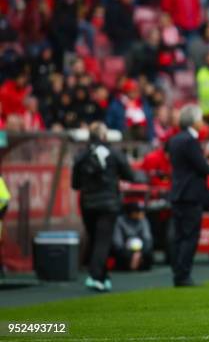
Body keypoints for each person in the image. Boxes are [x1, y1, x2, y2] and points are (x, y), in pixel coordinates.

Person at [71, 122, 136, 292]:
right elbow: (130, 175)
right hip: (109, 204)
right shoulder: (114, 154)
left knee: (95, 239)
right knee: (103, 241)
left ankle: (103, 275)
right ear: (104, 136)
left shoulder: (81, 156)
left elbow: (75, 184)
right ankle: (95, 276)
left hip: (87, 204)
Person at [168, 105, 209, 287]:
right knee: (190, 236)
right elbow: (203, 167)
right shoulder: (190, 141)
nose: (202, 123)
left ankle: (178, 272)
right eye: (200, 119)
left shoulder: (174, 140)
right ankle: (183, 274)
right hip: (191, 194)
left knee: (179, 236)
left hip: (177, 193)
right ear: (194, 122)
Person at [112, 201, 154, 271]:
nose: (141, 213)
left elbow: (147, 238)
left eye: (141, 211)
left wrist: (140, 253)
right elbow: (117, 242)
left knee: (148, 254)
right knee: (120, 257)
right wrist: (130, 254)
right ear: (130, 212)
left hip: (141, 250)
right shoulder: (120, 220)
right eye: (138, 211)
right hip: (125, 250)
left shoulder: (143, 220)